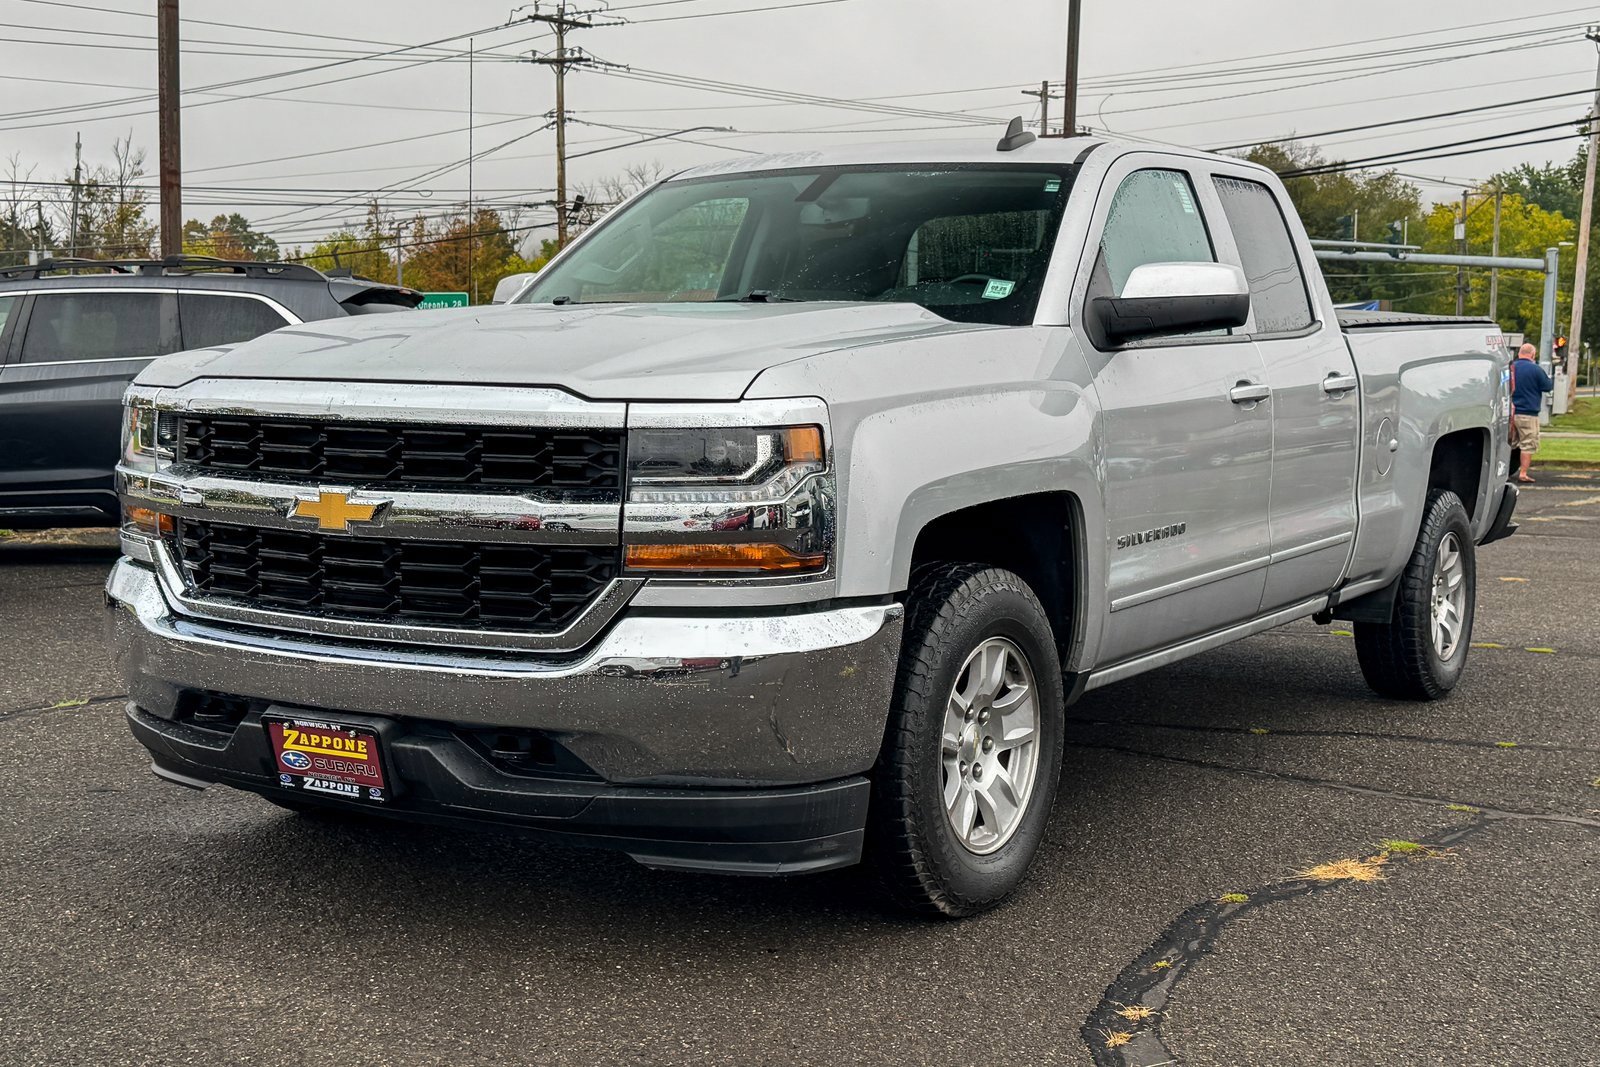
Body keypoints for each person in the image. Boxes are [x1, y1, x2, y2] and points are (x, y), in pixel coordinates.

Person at [1510, 343, 1553, 484]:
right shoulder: (1536, 369)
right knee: (1528, 443)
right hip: (1528, 413)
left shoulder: (1510, 368)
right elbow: (1547, 386)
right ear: (1533, 355)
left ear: (1519, 353)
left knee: (1510, 443)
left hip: (1510, 412)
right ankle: (1523, 473)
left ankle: (1503, 473)